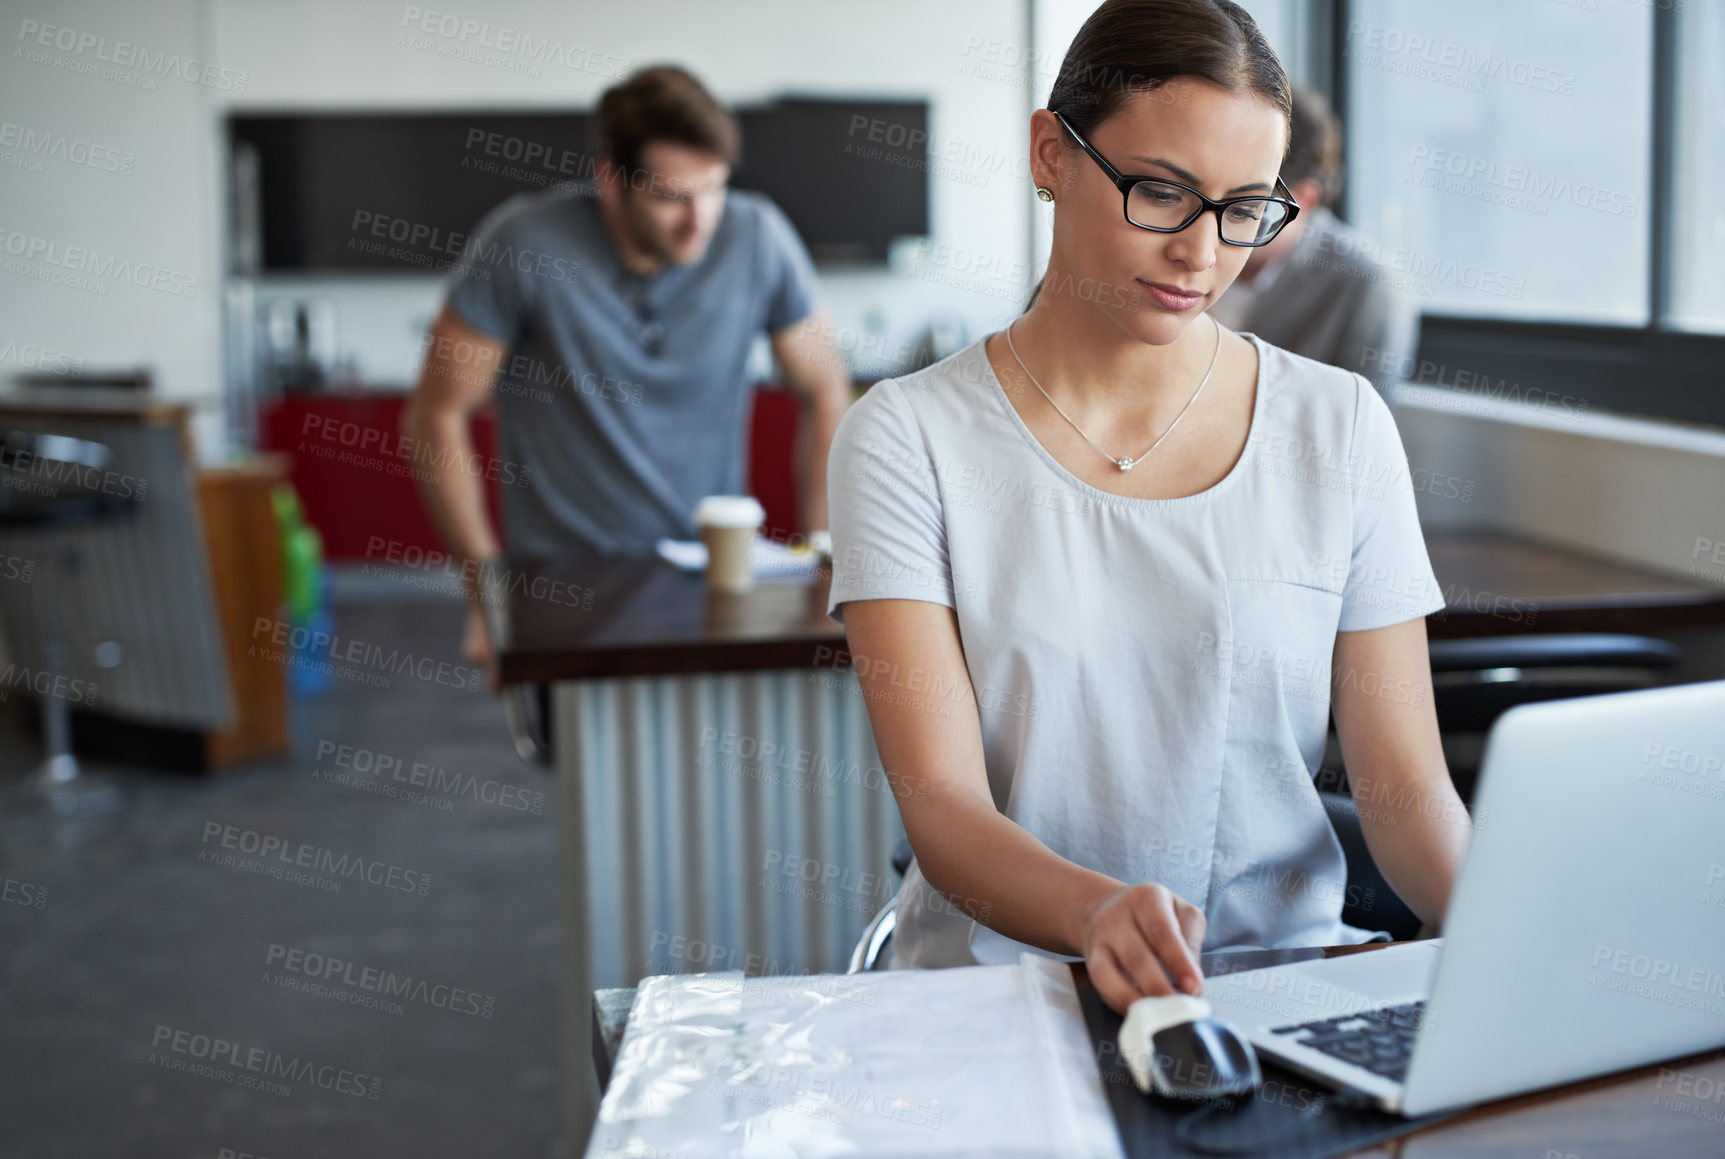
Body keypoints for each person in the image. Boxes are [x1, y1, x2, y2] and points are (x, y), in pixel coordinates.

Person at [825, 0, 1470, 1016]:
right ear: (1050, 154)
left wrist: (1508, 928)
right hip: (1003, 1004)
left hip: (1275, 997)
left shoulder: (1337, 425)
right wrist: (1094, 914)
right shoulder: (906, 436)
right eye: (1162, 193)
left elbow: (1402, 793)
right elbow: (944, 809)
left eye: (1244, 208)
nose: (1203, 253)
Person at [403, 66, 852, 680]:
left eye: (714, 188)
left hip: (716, 576)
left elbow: (826, 388)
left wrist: (822, 554)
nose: (700, 219)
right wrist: (486, 592)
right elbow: (437, 414)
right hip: (566, 590)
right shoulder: (523, 243)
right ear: (611, 180)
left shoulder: (759, 236)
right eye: (671, 197)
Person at [1206, 84, 1419, 401]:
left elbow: (1359, 434)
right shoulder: (1189, 247)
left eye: (1243, 207)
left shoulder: (1368, 289)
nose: (1212, 224)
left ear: (1303, 199)